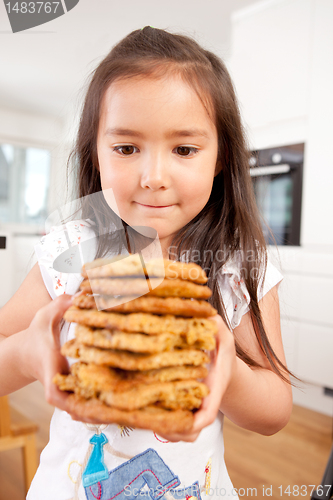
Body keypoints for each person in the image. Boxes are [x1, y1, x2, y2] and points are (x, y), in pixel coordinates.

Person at [0, 27, 293, 500]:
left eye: (184, 149)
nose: (153, 177)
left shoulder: (237, 264)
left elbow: (275, 411)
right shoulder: (74, 249)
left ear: (220, 157)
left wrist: (228, 373)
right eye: (126, 148)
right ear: (95, 152)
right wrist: (24, 356)